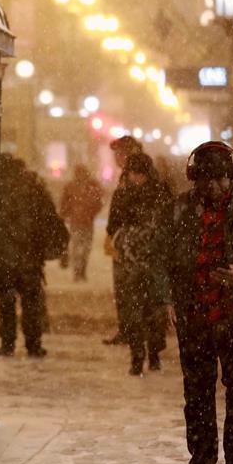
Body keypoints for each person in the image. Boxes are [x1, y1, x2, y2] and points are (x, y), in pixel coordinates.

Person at [152, 142, 233, 464]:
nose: (213, 187)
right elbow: (159, 258)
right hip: (194, 315)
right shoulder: (176, 210)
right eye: (205, 180)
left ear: (232, 176)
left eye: (220, 180)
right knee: (198, 392)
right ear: (194, 178)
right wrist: (165, 301)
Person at [0, 155, 64, 358]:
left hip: (5, 258)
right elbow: (49, 218)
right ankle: (33, 344)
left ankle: (7, 344)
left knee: (6, 303)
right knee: (31, 303)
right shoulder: (34, 188)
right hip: (29, 258)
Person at [110, 153, 171, 375]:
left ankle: (138, 358)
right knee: (153, 311)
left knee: (136, 311)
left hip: (136, 261)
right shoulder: (162, 192)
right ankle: (153, 355)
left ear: (137, 173)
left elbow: (116, 223)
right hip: (154, 263)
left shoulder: (129, 194)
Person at [103, 135, 144, 345]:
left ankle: (133, 332)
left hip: (132, 243)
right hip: (122, 240)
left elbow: (128, 211)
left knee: (130, 289)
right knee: (123, 289)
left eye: (119, 153)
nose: (116, 157)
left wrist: (118, 232)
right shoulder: (126, 177)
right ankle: (127, 330)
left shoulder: (138, 179)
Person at [59, 165, 104, 281]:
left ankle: (80, 270)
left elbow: (64, 203)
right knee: (82, 247)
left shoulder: (74, 186)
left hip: (81, 222)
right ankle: (79, 270)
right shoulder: (89, 186)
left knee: (81, 247)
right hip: (82, 222)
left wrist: (65, 214)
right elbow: (99, 202)